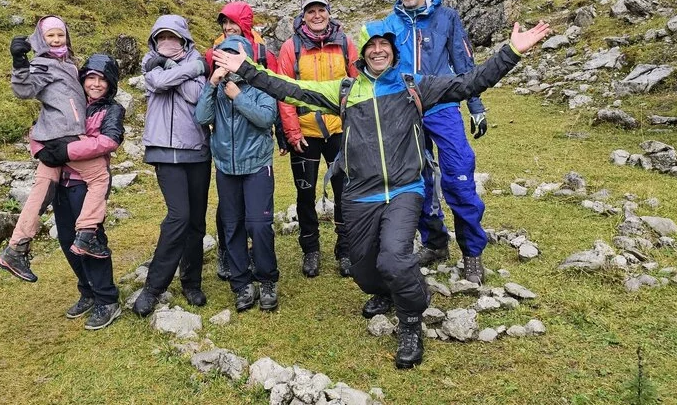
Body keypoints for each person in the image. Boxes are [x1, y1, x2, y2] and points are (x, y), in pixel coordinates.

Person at [213, 20, 551, 369]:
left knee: (393, 259)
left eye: (384, 44)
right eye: (371, 45)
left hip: (405, 189)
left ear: (393, 49)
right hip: (361, 195)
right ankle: (390, 290)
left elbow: (470, 82)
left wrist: (512, 51)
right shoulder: (345, 91)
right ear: (362, 53)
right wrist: (247, 70)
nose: (378, 50)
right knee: (365, 274)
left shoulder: (413, 86)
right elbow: (289, 88)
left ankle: (410, 320)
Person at [378, 0, 491, 283]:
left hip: (442, 106)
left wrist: (476, 105)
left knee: (458, 176)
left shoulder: (447, 17)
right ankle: (435, 242)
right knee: (418, 179)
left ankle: (472, 252)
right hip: (405, 109)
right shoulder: (390, 23)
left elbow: (465, 63)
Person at [0, 16, 111, 283]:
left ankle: (16, 247)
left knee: (40, 191)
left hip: (51, 138)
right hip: (65, 137)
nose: (57, 40)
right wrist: (19, 63)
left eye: (61, 35)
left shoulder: (68, 64)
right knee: (99, 177)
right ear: (40, 39)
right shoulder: (43, 64)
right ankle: (86, 234)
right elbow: (24, 90)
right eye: (51, 36)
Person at [273, 0, 359, 278]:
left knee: (345, 193)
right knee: (305, 194)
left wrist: (355, 126)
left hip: (339, 132)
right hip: (305, 134)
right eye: (311, 10)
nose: (317, 15)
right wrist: (292, 132)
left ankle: (345, 250)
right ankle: (310, 249)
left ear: (328, 11)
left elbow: (359, 86)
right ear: (303, 15)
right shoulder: (291, 47)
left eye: (321, 9)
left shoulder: (346, 43)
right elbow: (284, 93)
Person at [132, 15, 212, 317]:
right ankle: (153, 287)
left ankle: (192, 281)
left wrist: (177, 70)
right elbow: (160, 83)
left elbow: (195, 96)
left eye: (173, 37)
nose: (167, 43)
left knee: (196, 222)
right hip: (164, 152)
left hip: (196, 150)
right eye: (162, 37)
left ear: (183, 39)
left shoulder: (193, 65)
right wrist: (189, 69)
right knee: (178, 216)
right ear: (155, 40)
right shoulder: (150, 62)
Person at [195, 36, 280, 312]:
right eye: (223, 57)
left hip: (256, 165)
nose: (228, 62)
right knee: (232, 227)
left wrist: (238, 96)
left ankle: (267, 279)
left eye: (234, 56)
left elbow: (266, 118)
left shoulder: (261, 82)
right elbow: (202, 118)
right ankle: (241, 283)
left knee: (258, 224)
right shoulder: (216, 87)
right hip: (226, 169)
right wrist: (212, 84)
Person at [204, 1, 277, 281]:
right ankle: (229, 256)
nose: (228, 27)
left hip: (254, 150)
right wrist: (213, 84)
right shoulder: (215, 49)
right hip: (227, 153)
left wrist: (284, 131)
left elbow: (273, 90)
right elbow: (205, 107)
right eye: (224, 23)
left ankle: (262, 268)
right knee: (229, 214)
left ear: (245, 23)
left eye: (233, 22)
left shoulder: (260, 52)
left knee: (257, 219)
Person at [53, 54, 126, 330]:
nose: (95, 84)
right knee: (67, 240)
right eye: (91, 78)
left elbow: (109, 141)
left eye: (102, 79)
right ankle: (87, 291)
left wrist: (67, 149)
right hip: (61, 182)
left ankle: (107, 299)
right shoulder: (72, 104)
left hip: (88, 185)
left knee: (91, 240)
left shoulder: (113, 110)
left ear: (111, 83)